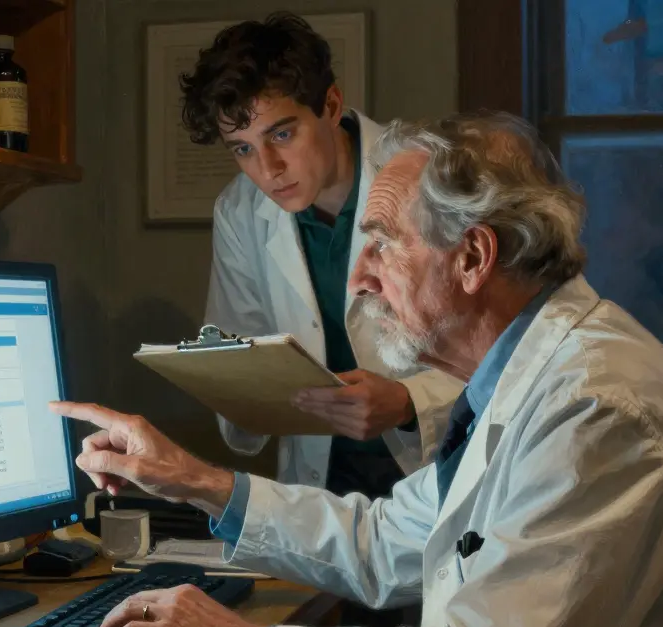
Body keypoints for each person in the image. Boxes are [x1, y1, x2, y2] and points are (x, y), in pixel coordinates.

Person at [52, 112, 663, 627]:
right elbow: (382, 539)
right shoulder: (525, 377)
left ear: (472, 258)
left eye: (383, 243)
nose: (360, 278)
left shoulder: (596, 409)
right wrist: (192, 480)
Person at [185, 12, 461, 499]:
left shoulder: (431, 179)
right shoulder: (239, 211)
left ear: (331, 105)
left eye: (282, 134)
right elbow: (235, 361)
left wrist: (407, 402)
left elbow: (506, 355)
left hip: (437, 477)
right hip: (322, 494)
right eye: (242, 149)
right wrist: (236, 390)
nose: (267, 170)